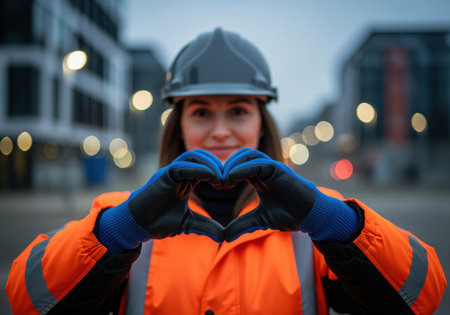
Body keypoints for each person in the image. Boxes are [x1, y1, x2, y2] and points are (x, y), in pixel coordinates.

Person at [6, 27, 446, 314]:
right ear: (178, 125)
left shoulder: (316, 219)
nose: (219, 131)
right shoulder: (120, 214)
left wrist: (331, 220)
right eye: (200, 112)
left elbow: (424, 293)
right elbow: (26, 300)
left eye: (237, 111)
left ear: (261, 123)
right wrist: (119, 231)